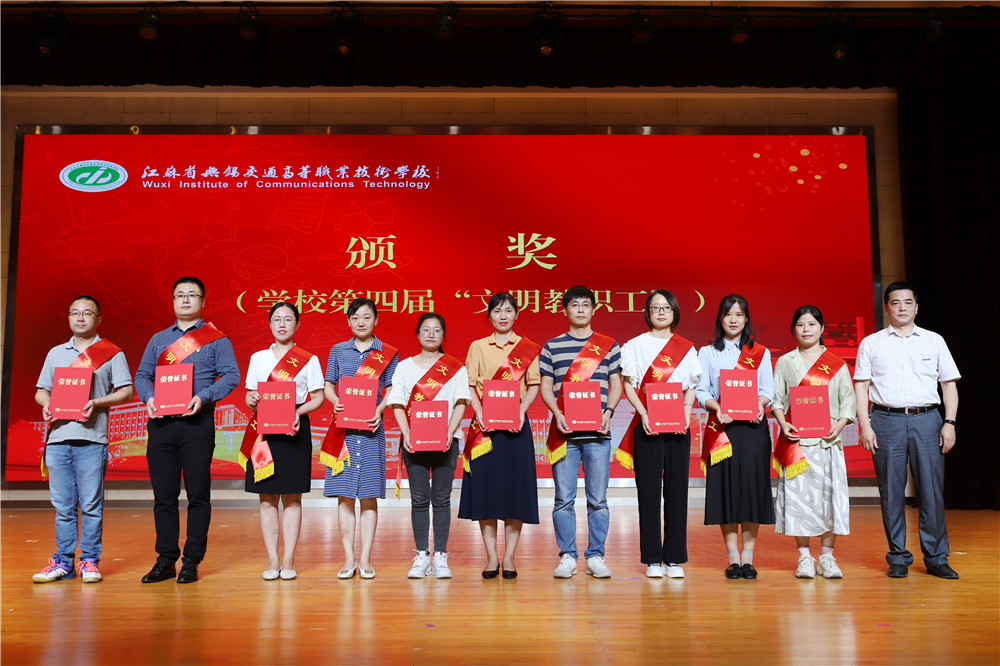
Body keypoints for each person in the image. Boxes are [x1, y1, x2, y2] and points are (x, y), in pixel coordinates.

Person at [134, 277, 240, 584]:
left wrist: (203, 396)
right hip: (161, 425)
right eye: (179, 295)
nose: (185, 300)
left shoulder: (216, 339)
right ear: (173, 301)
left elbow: (231, 376)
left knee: (198, 494)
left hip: (197, 424)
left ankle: (192, 560)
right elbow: (142, 376)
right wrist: (149, 397)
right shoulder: (158, 340)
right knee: (164, 496)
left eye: (192, 295)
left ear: (203, 302)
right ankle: (166, 559)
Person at [854, 282, 960, 580]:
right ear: (886, 308)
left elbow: (949, 385)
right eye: (895, 302)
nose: (902, 307)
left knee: (931, 491)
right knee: (891, 492)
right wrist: (865, 425)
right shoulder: (871, 343)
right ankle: (898, 556)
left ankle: (936, 557)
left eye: (908, 302)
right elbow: (861, 387)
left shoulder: (934, 341)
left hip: (928, 420)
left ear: (916, 307)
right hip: (885, 420)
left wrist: (949, 422)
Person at [32, 295, 133, 583]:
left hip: (92, 440)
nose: (80, 317)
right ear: (68, 317)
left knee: (91, 506)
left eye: (87, 313)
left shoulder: (111, 353)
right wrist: (47, 404)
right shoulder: (55, 353)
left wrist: (97, 402)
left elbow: (126, 391)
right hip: (58, 439)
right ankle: (63, 562)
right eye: (74, 312)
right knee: (63, 507)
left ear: (98, 319)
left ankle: (89, 561)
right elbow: (41, 390)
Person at [540, 285, 623, 579]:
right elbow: (545, 386)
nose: (580, 309)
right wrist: (557, 412)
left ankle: (596, 555)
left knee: (598, 500)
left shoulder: (609, 345)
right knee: (563, 499)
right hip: (565, 435)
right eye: (574, 304)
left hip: (598, 435)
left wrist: (608, 412)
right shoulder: (551, 346)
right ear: (565, 309)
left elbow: (616, 383)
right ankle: (567, 556)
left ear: (593, 309)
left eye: (585, 304)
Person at [458, 293, 542, 580]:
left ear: (516, 314)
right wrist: (479, 412)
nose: (503, 316)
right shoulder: (478, 347)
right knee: (486, 492)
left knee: (515, 492)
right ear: (489, 316)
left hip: (516, 425)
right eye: (497, 311)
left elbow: (533, 384)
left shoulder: (527, 347)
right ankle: (492, 557)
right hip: (485, 427)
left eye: (508, 311)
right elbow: (470, 384)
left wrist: (522, 411)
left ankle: (509, 558)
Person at [619, 290, 701, 579]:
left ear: (674, 312)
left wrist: (687, 413)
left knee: (678, 492)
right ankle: (653, 558)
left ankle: (674, 558)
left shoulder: (686, 348)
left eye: (667, 307)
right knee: (649, 493)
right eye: (656, 307)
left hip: (679, 426)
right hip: (648, 425)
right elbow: (628, 384)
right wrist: (643, 413)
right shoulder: (634, 345)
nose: (662, 312)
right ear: (648, 312)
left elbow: (691, 386)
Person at [771, 305, 855, 579]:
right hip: (796, 443)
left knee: (829, 500)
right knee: (799, 501)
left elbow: (848, 401)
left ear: (822, 328)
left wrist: (839, 425)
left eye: (811, 324)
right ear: (793, 329)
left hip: (827, 442)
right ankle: (805, 557)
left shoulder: (836, 362)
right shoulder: (785, 362)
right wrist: (783, 423)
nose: (806, 329)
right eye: (800, 324)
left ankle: (827, 558)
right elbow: (777, 399)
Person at [243, 302, 325, 581]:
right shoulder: (258, 358)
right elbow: (249, 396)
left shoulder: (308, 359)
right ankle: (272, 559)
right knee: (267, 499)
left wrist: (297, 413)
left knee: (292, 497)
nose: (282, 324)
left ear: (297, 325)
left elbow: (318, 397)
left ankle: (289, 558)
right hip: (264, 433)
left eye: (288, 319)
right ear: (269, 324)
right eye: (277, 319)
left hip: (294, 428)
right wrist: (252, 399)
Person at [695, 294, 775, 580]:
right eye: (728, 314)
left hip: (753, 429)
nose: (733, 319)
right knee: (726, 492)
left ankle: (748, 559)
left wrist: (760, 404)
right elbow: (701, 390)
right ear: (720, 318)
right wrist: (716, 408)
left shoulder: (760, 352)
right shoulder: (707, 352)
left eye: (739, 314)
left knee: (752, 491)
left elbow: (768, 390)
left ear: (746, 319)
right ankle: (732, 559)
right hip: (722, 428)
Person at [388, 313, 471, 579]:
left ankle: (441, 556)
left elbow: (461, 402)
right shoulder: (404, 367)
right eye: (426, 329)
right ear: (418, 334)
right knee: (420, 499)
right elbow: (397, 403)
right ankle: (422, 555)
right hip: (414, 442)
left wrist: (449, 432)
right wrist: (406, 434)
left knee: (442, 499)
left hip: (447, 441)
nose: (431, 334)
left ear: (443, 335)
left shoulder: (456, 367)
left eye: (437, 330)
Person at [322, 298, 398, 580]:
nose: (361, 322)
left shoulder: (387, 353)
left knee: (368, 496)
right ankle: (348, 559)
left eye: (367, 317)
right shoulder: (338, 350)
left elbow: (391, 388)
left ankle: (365, 559)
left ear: (376, 320)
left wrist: (380, 409)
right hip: (342, 432)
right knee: (344, 498)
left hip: (370, 431)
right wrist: (335, 401)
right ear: (348, 321)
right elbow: (328, 385)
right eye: (355, 317)